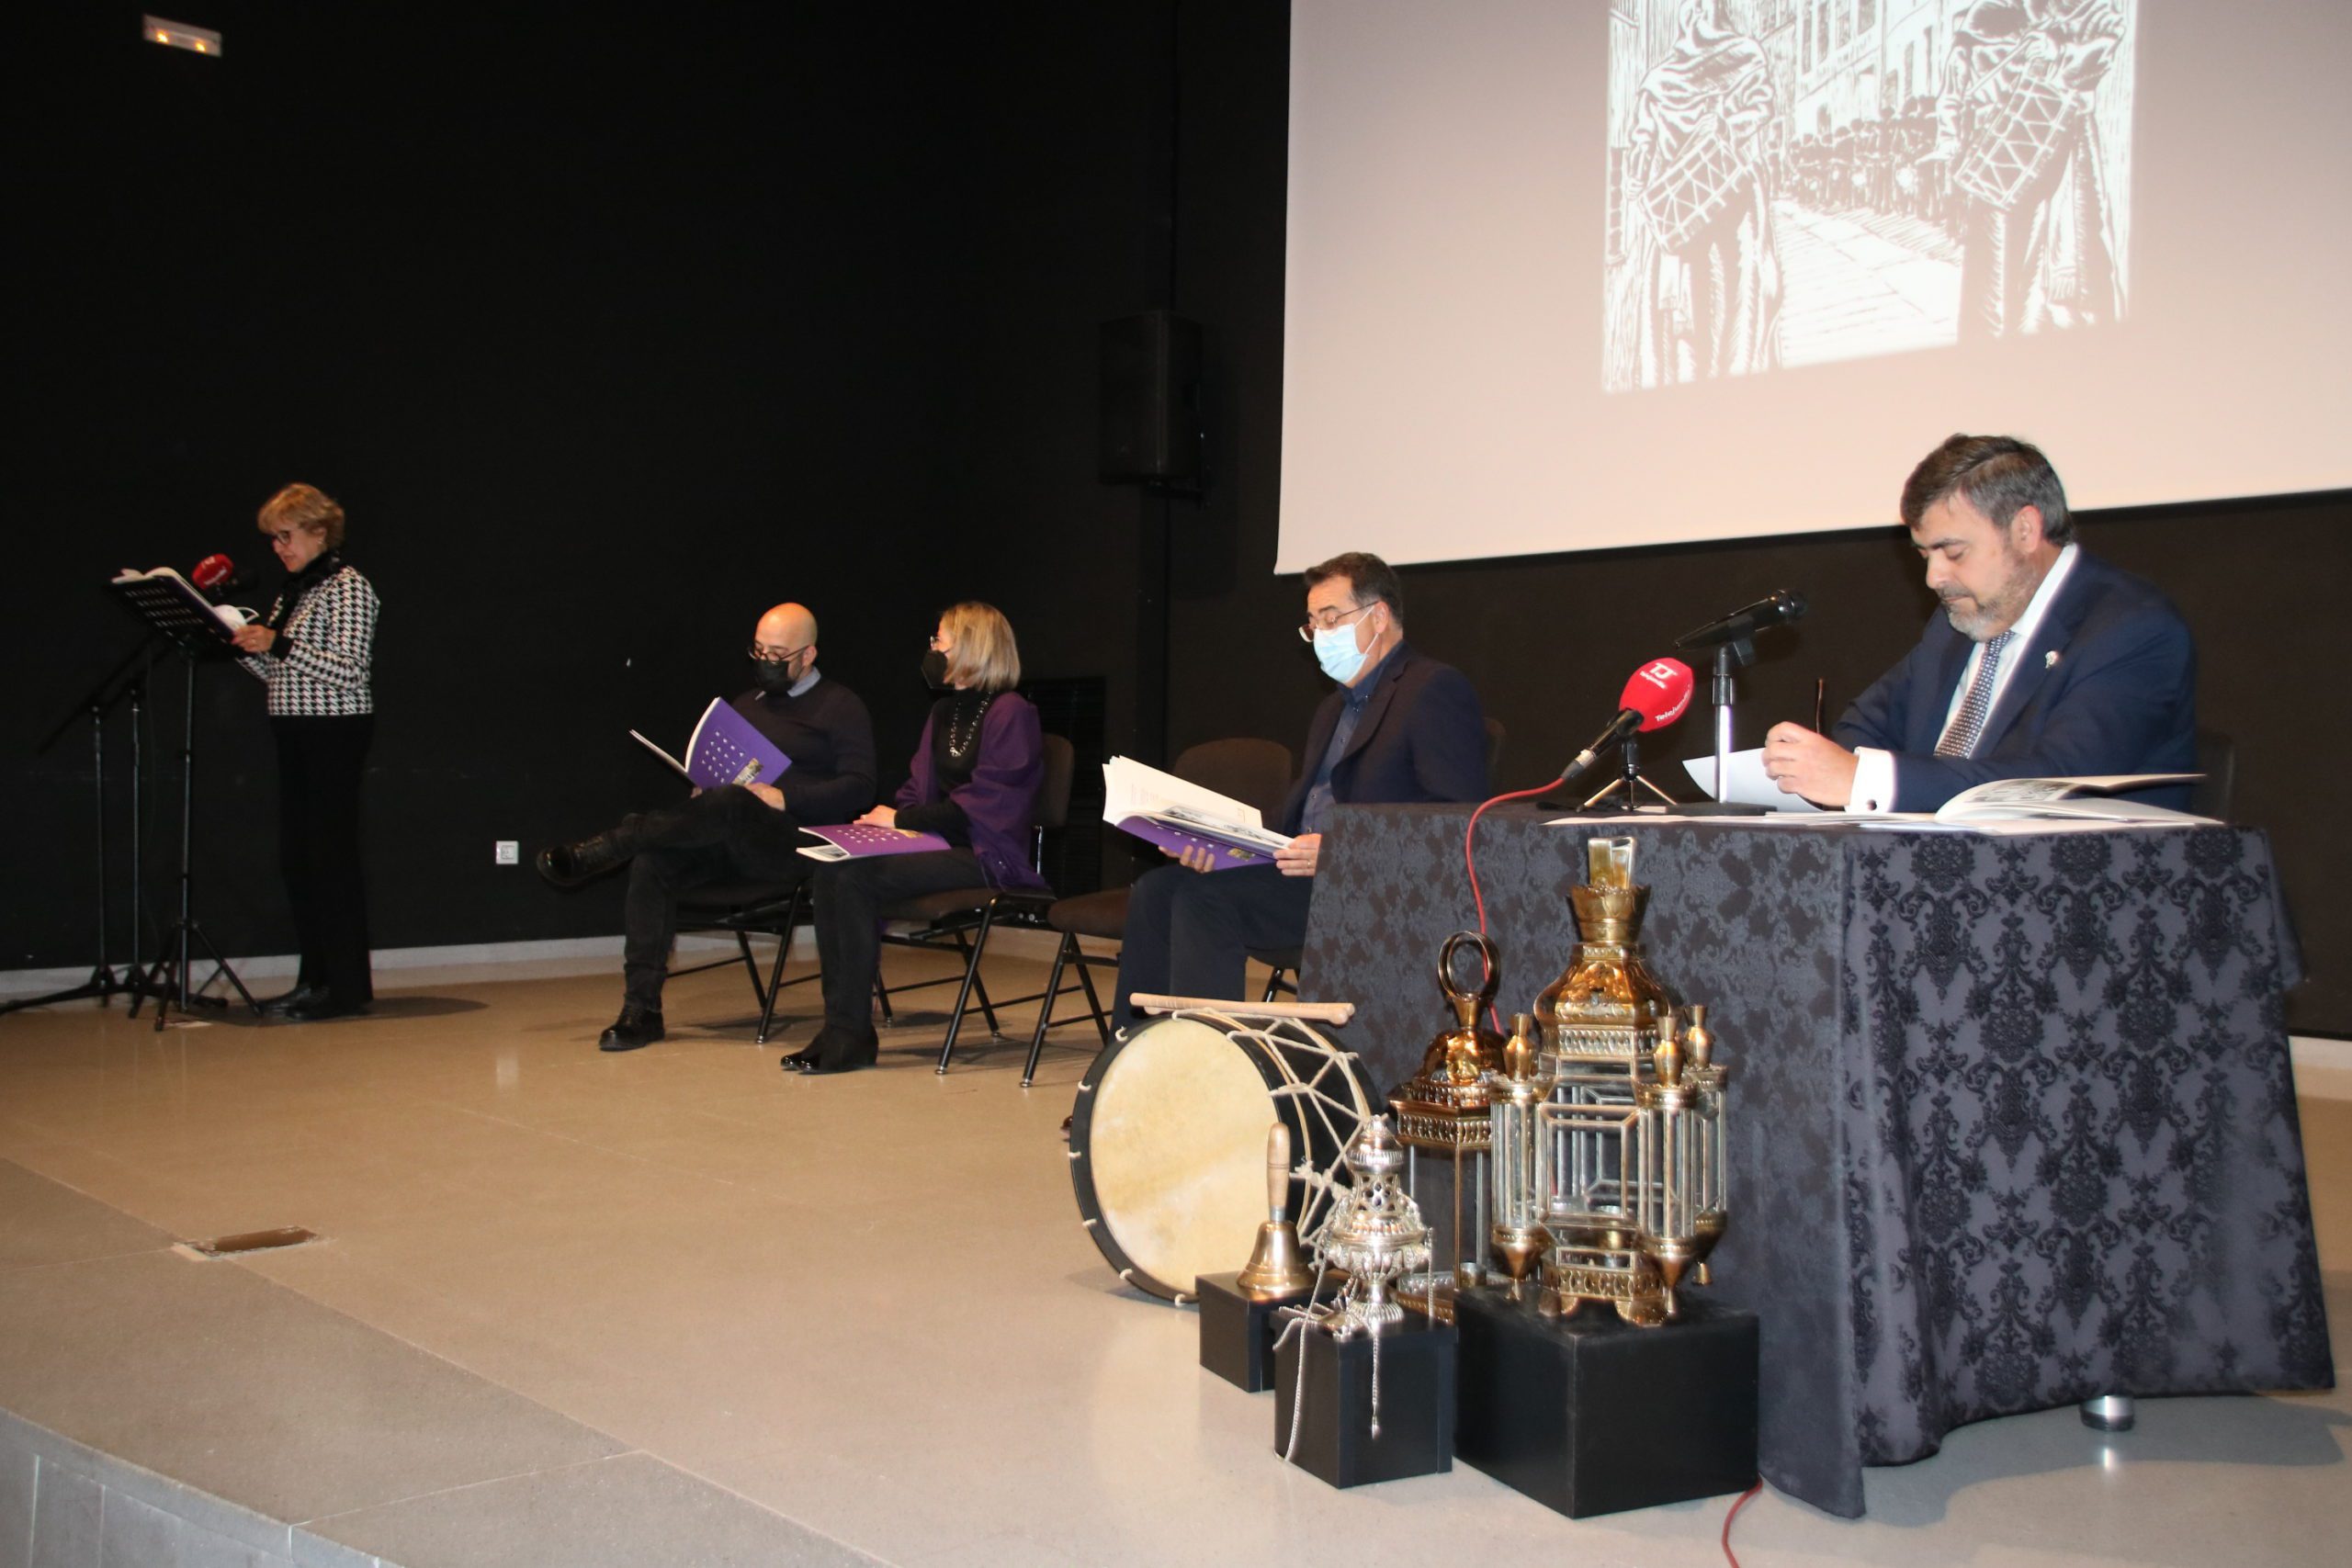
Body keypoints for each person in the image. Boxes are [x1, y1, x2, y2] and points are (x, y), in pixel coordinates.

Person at [1112, 552, 1488, 1035]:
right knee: (1157, 891)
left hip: (1371, 884)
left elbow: (1458, 820)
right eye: (1312, 624)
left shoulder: (1432, 689)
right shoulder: (1333, 708)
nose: (1320, 635)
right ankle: (1127, 1062)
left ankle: (1212, 1072)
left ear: (1379, 615)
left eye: (1331, 619)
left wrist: (1340, 851)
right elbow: (1298, 826)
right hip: (1301, 876)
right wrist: (1220, 847)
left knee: (1204, 902)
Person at [1760, 434, 2196, 814]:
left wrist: (1869, 782)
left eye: (1954, 552)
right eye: (1924, 555)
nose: (1934, 578)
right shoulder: (1955, 625)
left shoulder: (2131, 628)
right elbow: (1863, 728)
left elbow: (2057, 783)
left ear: (2025, 530)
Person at [537, 603, 876, 1051]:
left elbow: (860, 788)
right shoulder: (744, 705)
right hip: (731, 837)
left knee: (734, 800)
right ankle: (642, 1010)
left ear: (808, 655)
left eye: (778, 654)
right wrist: (706, 796)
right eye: (757, 650)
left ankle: (605, 847)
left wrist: (786, 796)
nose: (765, 662)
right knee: (655, 860)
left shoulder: (841, 706)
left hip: (797, 845)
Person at [786, 602, 1046, 1076]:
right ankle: (841, 1026)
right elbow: (917, 789)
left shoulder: (1013, 713)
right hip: (940, 843)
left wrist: (901, 817)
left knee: (857, 880)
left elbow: (985, 808)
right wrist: (876, 824)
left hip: (987, 854)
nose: (932, 649)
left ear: (971, 646)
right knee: (832, 867)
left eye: (939, 640)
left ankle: (851, 1033)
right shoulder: (943, 711)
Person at [229, 483, 381, 1021]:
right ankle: (313, 979)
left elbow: (348, 670)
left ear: (319, 531)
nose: (279, 547)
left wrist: (278, 643)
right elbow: (283, 670)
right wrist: (248, 649)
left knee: (329, 859)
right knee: (299, 860)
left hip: (334, 731)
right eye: (274, 539)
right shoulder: (295, 590)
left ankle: (341, 988)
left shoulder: (348, 587)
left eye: (286, 536)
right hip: (294, 728)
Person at [1605, 0, 1784, 390]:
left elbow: (1641, 148)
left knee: (1709, 312)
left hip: (1706, 214)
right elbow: (1759, 109)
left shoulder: (1663, 79)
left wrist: (1640, 176)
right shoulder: (1742, 57)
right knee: (1713, 312)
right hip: (1700, 216)